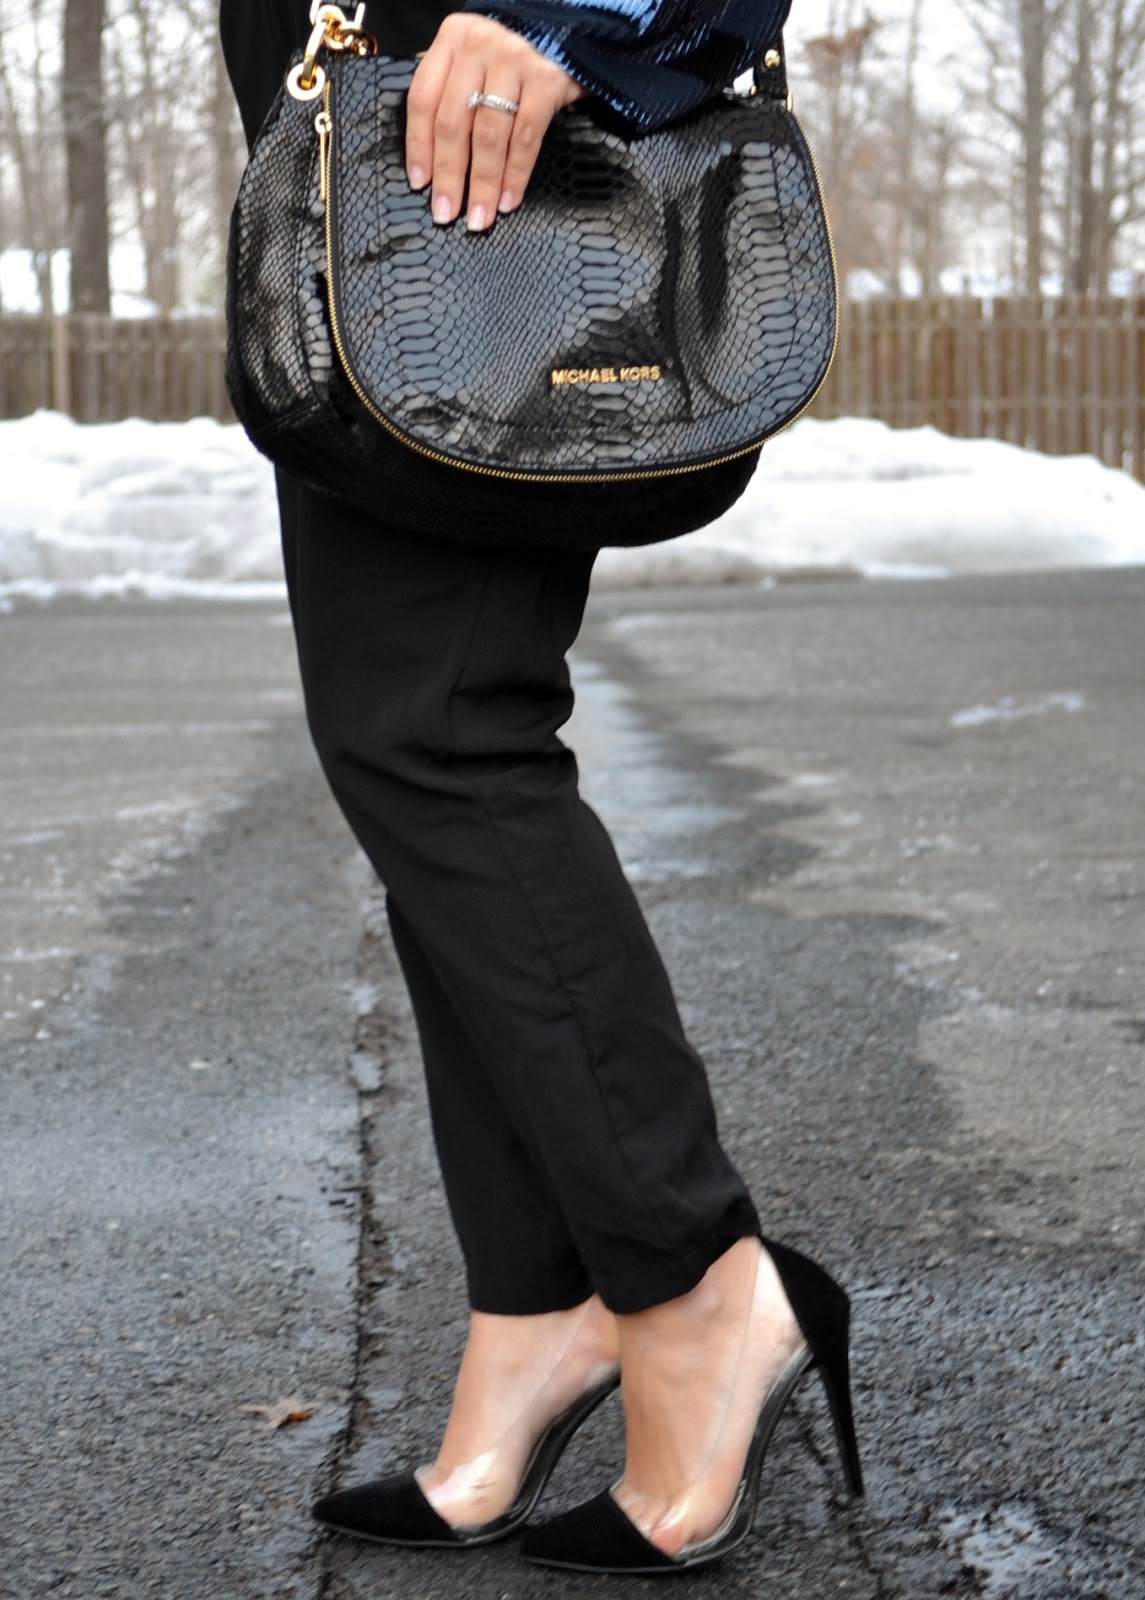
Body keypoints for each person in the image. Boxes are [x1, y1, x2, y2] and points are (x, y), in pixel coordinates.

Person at [220, 0, 863, 1574]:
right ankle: (541, 1300)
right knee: (408, 738)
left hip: (477, 89)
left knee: (440, 733)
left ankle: (695, 1283)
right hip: (369, 115)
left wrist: (575, 15)